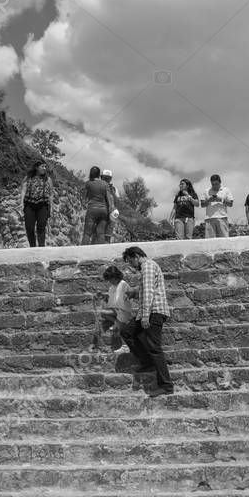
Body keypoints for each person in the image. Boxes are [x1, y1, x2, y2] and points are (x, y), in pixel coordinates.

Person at [120, 246, 174, 397]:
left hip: (153, 312)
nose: (132, 266)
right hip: (149, 311)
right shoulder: (147, 268)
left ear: (137, 256)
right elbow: (145, 288)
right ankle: (147, 362)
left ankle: (166, 385)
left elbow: (149, 291)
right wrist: (134, 292)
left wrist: (145, 316)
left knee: (154, 347)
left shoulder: (148, 266)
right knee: (127, 332)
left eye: (131, 261)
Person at [20, 160, 54, 247]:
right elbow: (23, 190)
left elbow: (50, 194)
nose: (44, 168)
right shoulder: (28, 178)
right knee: (29, 227)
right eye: (42, 166)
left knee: (41, 228)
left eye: (45, 167)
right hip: (29, 205)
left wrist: (51, 208)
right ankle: (32, 247)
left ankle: (41, 248)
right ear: (36, 167)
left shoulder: (48, 179)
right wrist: (21, 203)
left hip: (43, 206)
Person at [101, 265, 134, 354]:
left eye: (112, 278)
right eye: (109, 279)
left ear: (116, 276)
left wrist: (114, 308)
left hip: (123, 309)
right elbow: (111, 301)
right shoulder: (111, 287)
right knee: (103, 313)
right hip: (116, 309)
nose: (110, 281)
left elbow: (121, 301)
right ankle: (116, 322)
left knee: (120, 323)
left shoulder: (123, 284)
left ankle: (125, 346)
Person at [81, 166, 114, 245]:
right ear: (99, 175)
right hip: (103, 210)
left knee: (87, 233)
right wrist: (110, 211)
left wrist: (84, 204)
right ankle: (101, 253)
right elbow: (109, 199)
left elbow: (83, 198)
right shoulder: (105, 184)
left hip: (92, 209)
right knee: (101, 233)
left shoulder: (88, 183)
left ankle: (82, 252)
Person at [200, 174, 234, 238]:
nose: (214, 186)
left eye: (216, 184)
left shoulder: (226, 190)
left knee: (225, 239)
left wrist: (221, 199)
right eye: (213, 184)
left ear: (220, 182)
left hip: (222, 217)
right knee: (209, 241)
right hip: (209, 218)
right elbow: (202, 205)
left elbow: (231, 204)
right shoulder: (206, 191)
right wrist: (209, 200)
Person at [101, 169, 120, 244]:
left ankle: (106, 247)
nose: (106, 180)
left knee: (108, 233)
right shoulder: (98, 186)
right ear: (101, 177)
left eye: (108, 178)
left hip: (111, 212)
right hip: (102, 210)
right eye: (105, 178)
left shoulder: (114, 189)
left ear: (110, 179)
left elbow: (117, 201)